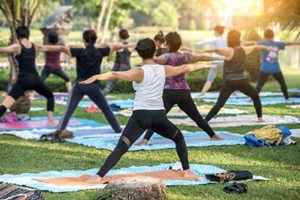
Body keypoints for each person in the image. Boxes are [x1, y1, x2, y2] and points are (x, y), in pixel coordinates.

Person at [78, 38, 207, 182]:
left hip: (141, 117)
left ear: (139, 53)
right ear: (155, 51)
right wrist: (206, 64)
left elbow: (115, 74)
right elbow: (185, 68)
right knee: (179, 138)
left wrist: (96, 76)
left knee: (121, 147)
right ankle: (187, 171)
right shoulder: (163, 69)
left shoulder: (139, 72)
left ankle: (98, 176)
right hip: (158, 117)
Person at [40, 29, 132, 141]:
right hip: (94, 87)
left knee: (68, 111)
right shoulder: (100, 51)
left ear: (84, 40)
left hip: (80, 86)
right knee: (106, 109)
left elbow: (61, 48)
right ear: (95, 39)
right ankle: (118, 130)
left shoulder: (79, 51)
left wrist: (40, 47)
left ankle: (59, 131)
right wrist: (134, 44)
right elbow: (115, 46)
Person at [137, 31, 222, 146]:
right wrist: (218, 58)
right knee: (196, 117)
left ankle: (145, 139)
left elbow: (153, 60)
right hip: (184, 92)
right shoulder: (185, 55)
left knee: (157, 117)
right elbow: (201, 56)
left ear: (167, 44)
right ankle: (213, 135)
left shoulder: (166, 57)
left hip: (169, 92)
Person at [204, 30, 271, 122]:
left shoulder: (229, 51)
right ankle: (260, 118)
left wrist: (199, 51)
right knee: (255, 96)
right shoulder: (244, 49)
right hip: (241, 81)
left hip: (229, 82)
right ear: (238, 39)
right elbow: (256, 47)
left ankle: (205, 121)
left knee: (219, 104)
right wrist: (267, 48)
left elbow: (215, 50)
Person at [0, 26, 61, 125]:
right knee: (49, 96)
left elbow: (3, 49)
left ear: (17, 35)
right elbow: (48, 47)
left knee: (6, 104)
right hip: (35, 79)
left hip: (23, 81)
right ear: (28, 34)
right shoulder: (34, 45)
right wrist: (62, 48)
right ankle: (50, 120)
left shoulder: (17, 46)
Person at [256, 28, 300, 100]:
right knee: (282, 84)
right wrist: (297, 43)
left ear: (264, 36)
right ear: (273, 36)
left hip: (265, 68)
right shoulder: (277, 44)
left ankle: (252, 98)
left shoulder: (261, 43)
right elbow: (288, 43)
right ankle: (286, 98)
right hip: (275, 68)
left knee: (259, 85)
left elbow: (253, 44)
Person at [197, 25, 227, 95]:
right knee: (226, 78)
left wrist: (197, 44)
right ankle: (233, 93)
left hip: (215, 61)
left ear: (217, 32)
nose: (214, 33)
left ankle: (202, 93)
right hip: (224, 61)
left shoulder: (215, 39)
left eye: (214, 31)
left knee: (210, 79)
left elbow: (204, 43)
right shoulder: (225, 39)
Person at [103, 29, 133, 94]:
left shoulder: (117, 45)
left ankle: (101, 95)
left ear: (119, 36)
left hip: (118, 67)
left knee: (109, 84)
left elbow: (110, 53)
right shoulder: (131, 45)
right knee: (135, 82)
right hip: (127, 66)